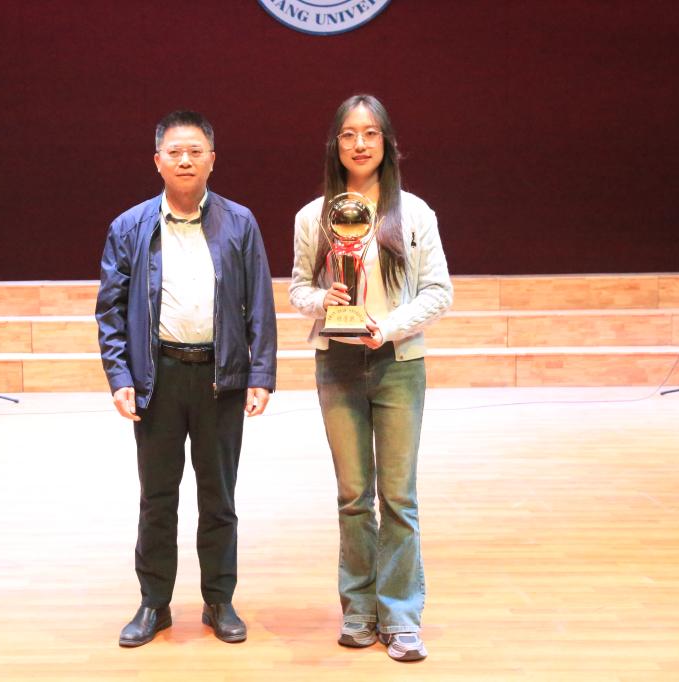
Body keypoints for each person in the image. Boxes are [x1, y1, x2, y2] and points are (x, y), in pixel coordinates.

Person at [96, 110, 277, 648]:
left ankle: (219, 600)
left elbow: (260, 303)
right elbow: (110, 310)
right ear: (157, 161)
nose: (185, 160)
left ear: (212, 160)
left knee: (219, 498)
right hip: (158, 379)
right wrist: (120, 375)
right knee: (157, 498)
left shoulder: (240, 223)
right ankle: (154, 604)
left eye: (195, 151)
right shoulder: (129, 227)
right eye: (174, 151)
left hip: (222, 378)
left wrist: (261, 372)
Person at [289, 94, 452, 662]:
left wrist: (389, 327)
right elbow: (298, 290)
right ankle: (358, 609)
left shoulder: (416, 214)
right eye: (349, 135)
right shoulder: (312, 217)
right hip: (336, 365)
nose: (360, 144)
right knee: (354, 496)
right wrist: (323, 300)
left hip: (398, 364)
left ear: (387, 143)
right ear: (335, 145)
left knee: (399, 496)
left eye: (370, 134)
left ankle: (401, 615)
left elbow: (439, 292)